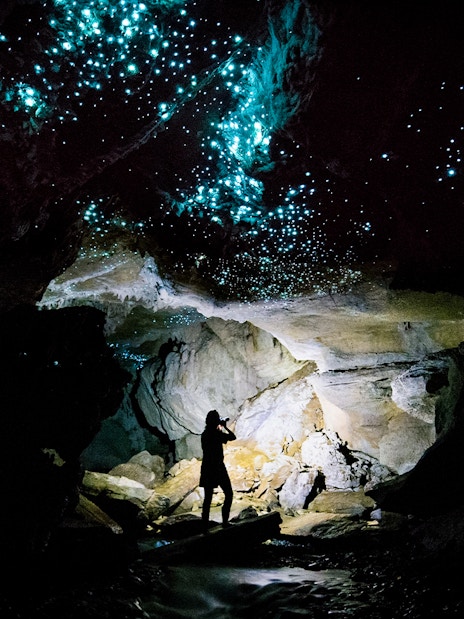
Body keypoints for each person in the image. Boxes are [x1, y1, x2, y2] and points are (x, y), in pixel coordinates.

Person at [199, 409, 236, 532]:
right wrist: (224, 427)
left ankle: (204, 528)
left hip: (207, 468)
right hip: (218, 468)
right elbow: (232, 437)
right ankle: (225, 522)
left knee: (207, 499)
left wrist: (219, 428)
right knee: (229, 494)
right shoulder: (216, 433)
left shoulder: (205, 434)